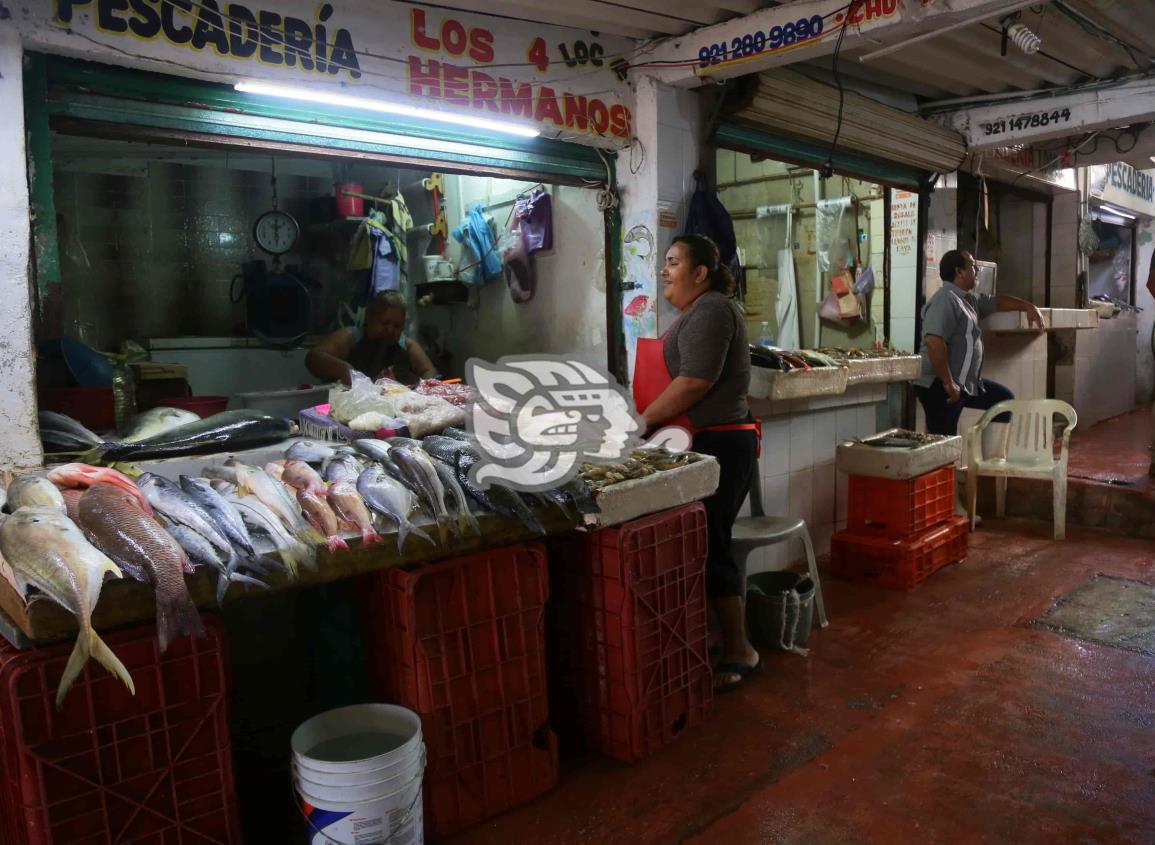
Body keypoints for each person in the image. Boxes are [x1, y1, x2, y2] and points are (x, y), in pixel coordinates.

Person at [633, 234, 761, 694]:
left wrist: (641, 421)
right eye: (663, 263)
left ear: (701, 272)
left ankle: (740, 648)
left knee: (712, 543)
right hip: (701, 442)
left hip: (722, 445)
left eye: (673, 263)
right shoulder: (695, 313)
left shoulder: (712, 309)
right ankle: (711, 638)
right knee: (704, 542)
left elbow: (693, 382)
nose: (664, 271)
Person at [915, 249, 1044, 436]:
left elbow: (997, 302)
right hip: (939, 385)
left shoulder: (969, 299)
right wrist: (948, 383)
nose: (977, 269)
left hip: (964, 383)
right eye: (973, 265)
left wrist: (1028, 306)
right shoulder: (946, 299)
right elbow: (934, 341)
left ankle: (989, 460)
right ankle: (946, 464)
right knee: (943, 444)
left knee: (1003, 402)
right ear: (959, 272)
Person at [305, 291, 438, 387]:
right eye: (384, 323)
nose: (390, 330)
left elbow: (430, 372)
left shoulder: (406, 345)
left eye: (397, 326)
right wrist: (344, 369)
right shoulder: (351, 336)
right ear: (369, 318)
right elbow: (313, 357)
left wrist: (420, 389)